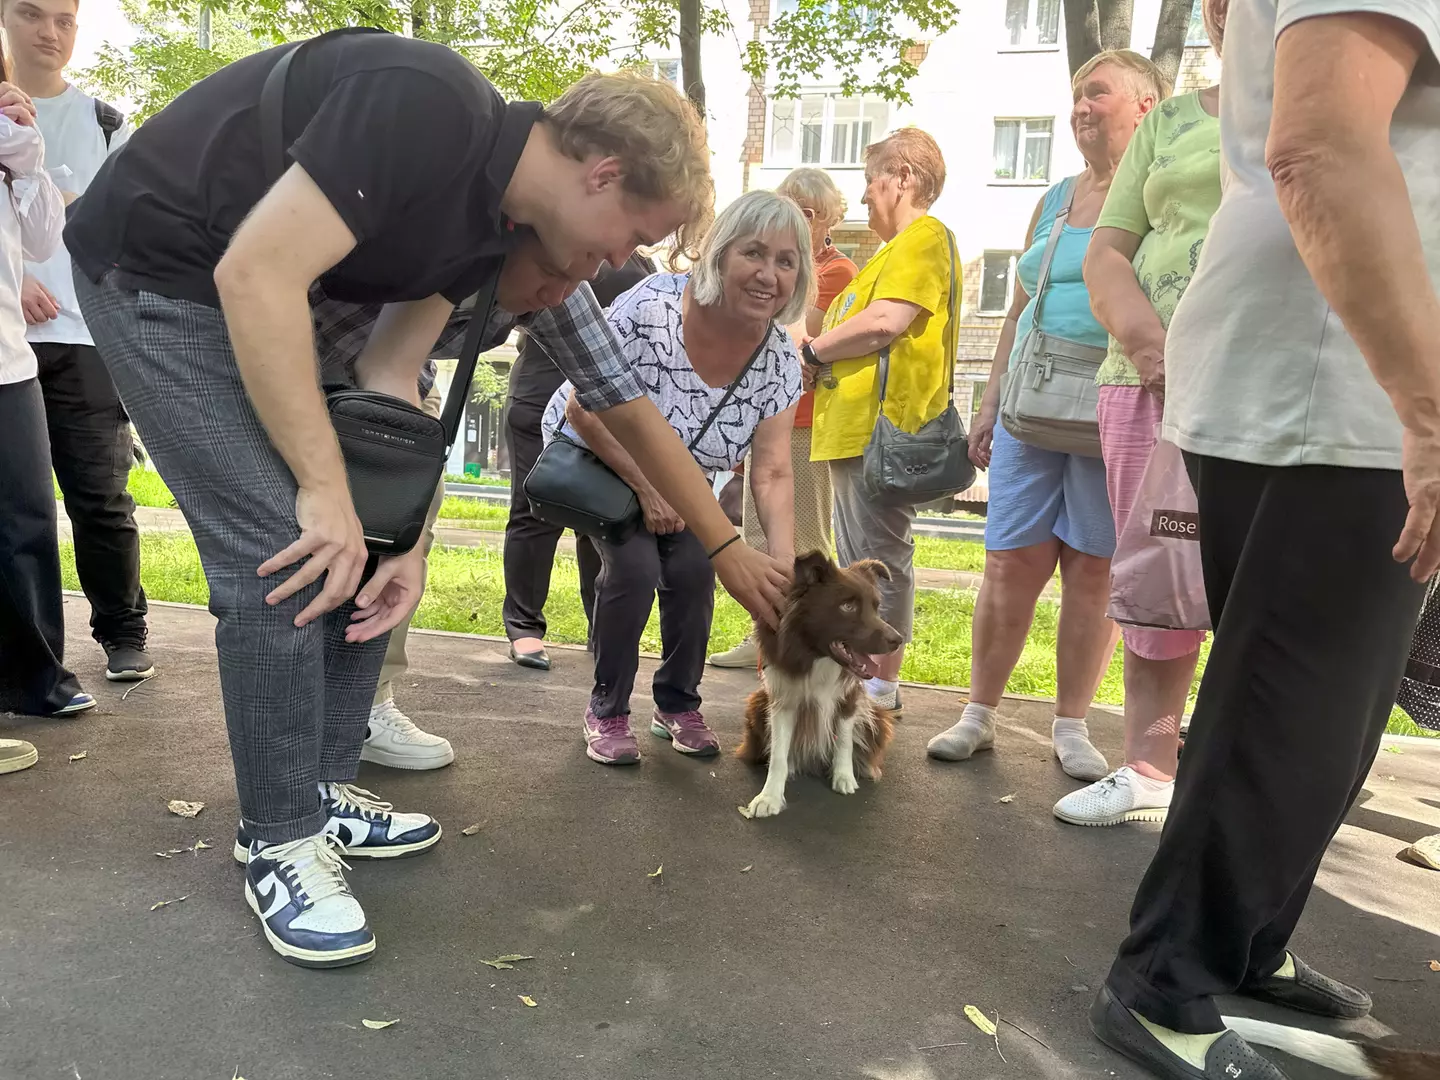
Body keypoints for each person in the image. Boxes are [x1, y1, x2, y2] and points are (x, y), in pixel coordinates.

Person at [67, 31, 786, 969]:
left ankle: (319, 789)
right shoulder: (427, 104)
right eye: (639, 234)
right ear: (603, 174)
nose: (625, 258)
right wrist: (322, 491)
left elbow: (388, 374)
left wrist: (397, 534)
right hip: (156, 272)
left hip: (243, 296)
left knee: (363, 542)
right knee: (280, 549)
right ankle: (277, 838)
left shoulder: (487, 218)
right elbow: (255, 273)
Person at [1089, 4, 1440, 1078]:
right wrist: (1427, 413)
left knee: (1321, 729)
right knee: (1286, 714)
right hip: (1334, 385)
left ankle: (1239, 951)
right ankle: (1166, 981)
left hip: (1337, 378)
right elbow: (1321, 143)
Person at [927, 52, 1164, 773]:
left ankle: (1070, 727)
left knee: (1093, 571)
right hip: (1032, 410)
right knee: (1008, 563)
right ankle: (978, 714)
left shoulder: (1160, 194)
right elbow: (1022, 305)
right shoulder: (1056, 196)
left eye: (1098, 93)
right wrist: (991, 397)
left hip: (1110, 412)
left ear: (1146, 107)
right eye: (1075, 96)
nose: (1080, 107)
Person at [547, 190, 805, 765]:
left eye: (786, 261)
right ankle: (607, 710)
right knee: (635, 567)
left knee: (694, 567)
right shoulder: (652, 307)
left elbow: (772, 469)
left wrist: (783, 564)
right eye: (754, 253)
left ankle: (676, 702)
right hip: (605, 457)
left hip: (688, 486)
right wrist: (647, 487)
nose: (768, 274)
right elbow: (584, 409)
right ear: (720, 255)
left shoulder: (781, 359)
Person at [1068, 8, 1225, 827]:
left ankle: (1244, 772)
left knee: (1265, 591)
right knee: (1160, 583)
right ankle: (1150, 766)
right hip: (1147, 387)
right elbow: (1106, 252)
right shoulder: (1169, 121)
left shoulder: (1356, 101)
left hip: (1282, 387)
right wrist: (1155, 351)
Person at [6, 0, 153, 683]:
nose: (50, 32)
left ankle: (123, 631)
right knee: (17, 506)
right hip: (7, 337)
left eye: (65, 18)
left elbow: (125, 234)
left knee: (99, 494)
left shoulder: (107, 124)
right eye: (31, 14)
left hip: (82, 337)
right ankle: (31, 660)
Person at [801, 128, 956, 714]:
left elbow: (886, 321)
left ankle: (880, 681)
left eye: (872, 180)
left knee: (879, 558)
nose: (865, 196)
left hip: (880, 430)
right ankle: (869, 673)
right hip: (858, 432)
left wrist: (813, 354)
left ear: (905, 179)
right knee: (864, 553)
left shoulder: (923, 238)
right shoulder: (893, 251)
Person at [710, 167, 857, 670]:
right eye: (787, 204)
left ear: (830, 217)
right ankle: (768, 628)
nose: (795, 217)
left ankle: (811, 638)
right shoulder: (788, 271)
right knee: (756, 533)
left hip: (805, 420)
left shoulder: (835, 272)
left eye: (808, 211)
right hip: (765, 413)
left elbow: (799, 340)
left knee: (804, 538)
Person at [502, 252, 654, 671]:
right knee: (534, 510)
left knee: (603, 515)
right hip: (541, 391)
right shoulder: (563, 243)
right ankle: (524, 625)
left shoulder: (638, 264)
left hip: (608, 406)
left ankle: (599, 624)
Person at [0, 46, 84, 721]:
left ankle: (37, 680)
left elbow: (44, 242)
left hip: (10, 363)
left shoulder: (10, 143)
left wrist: (27, 154)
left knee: (27, 521)